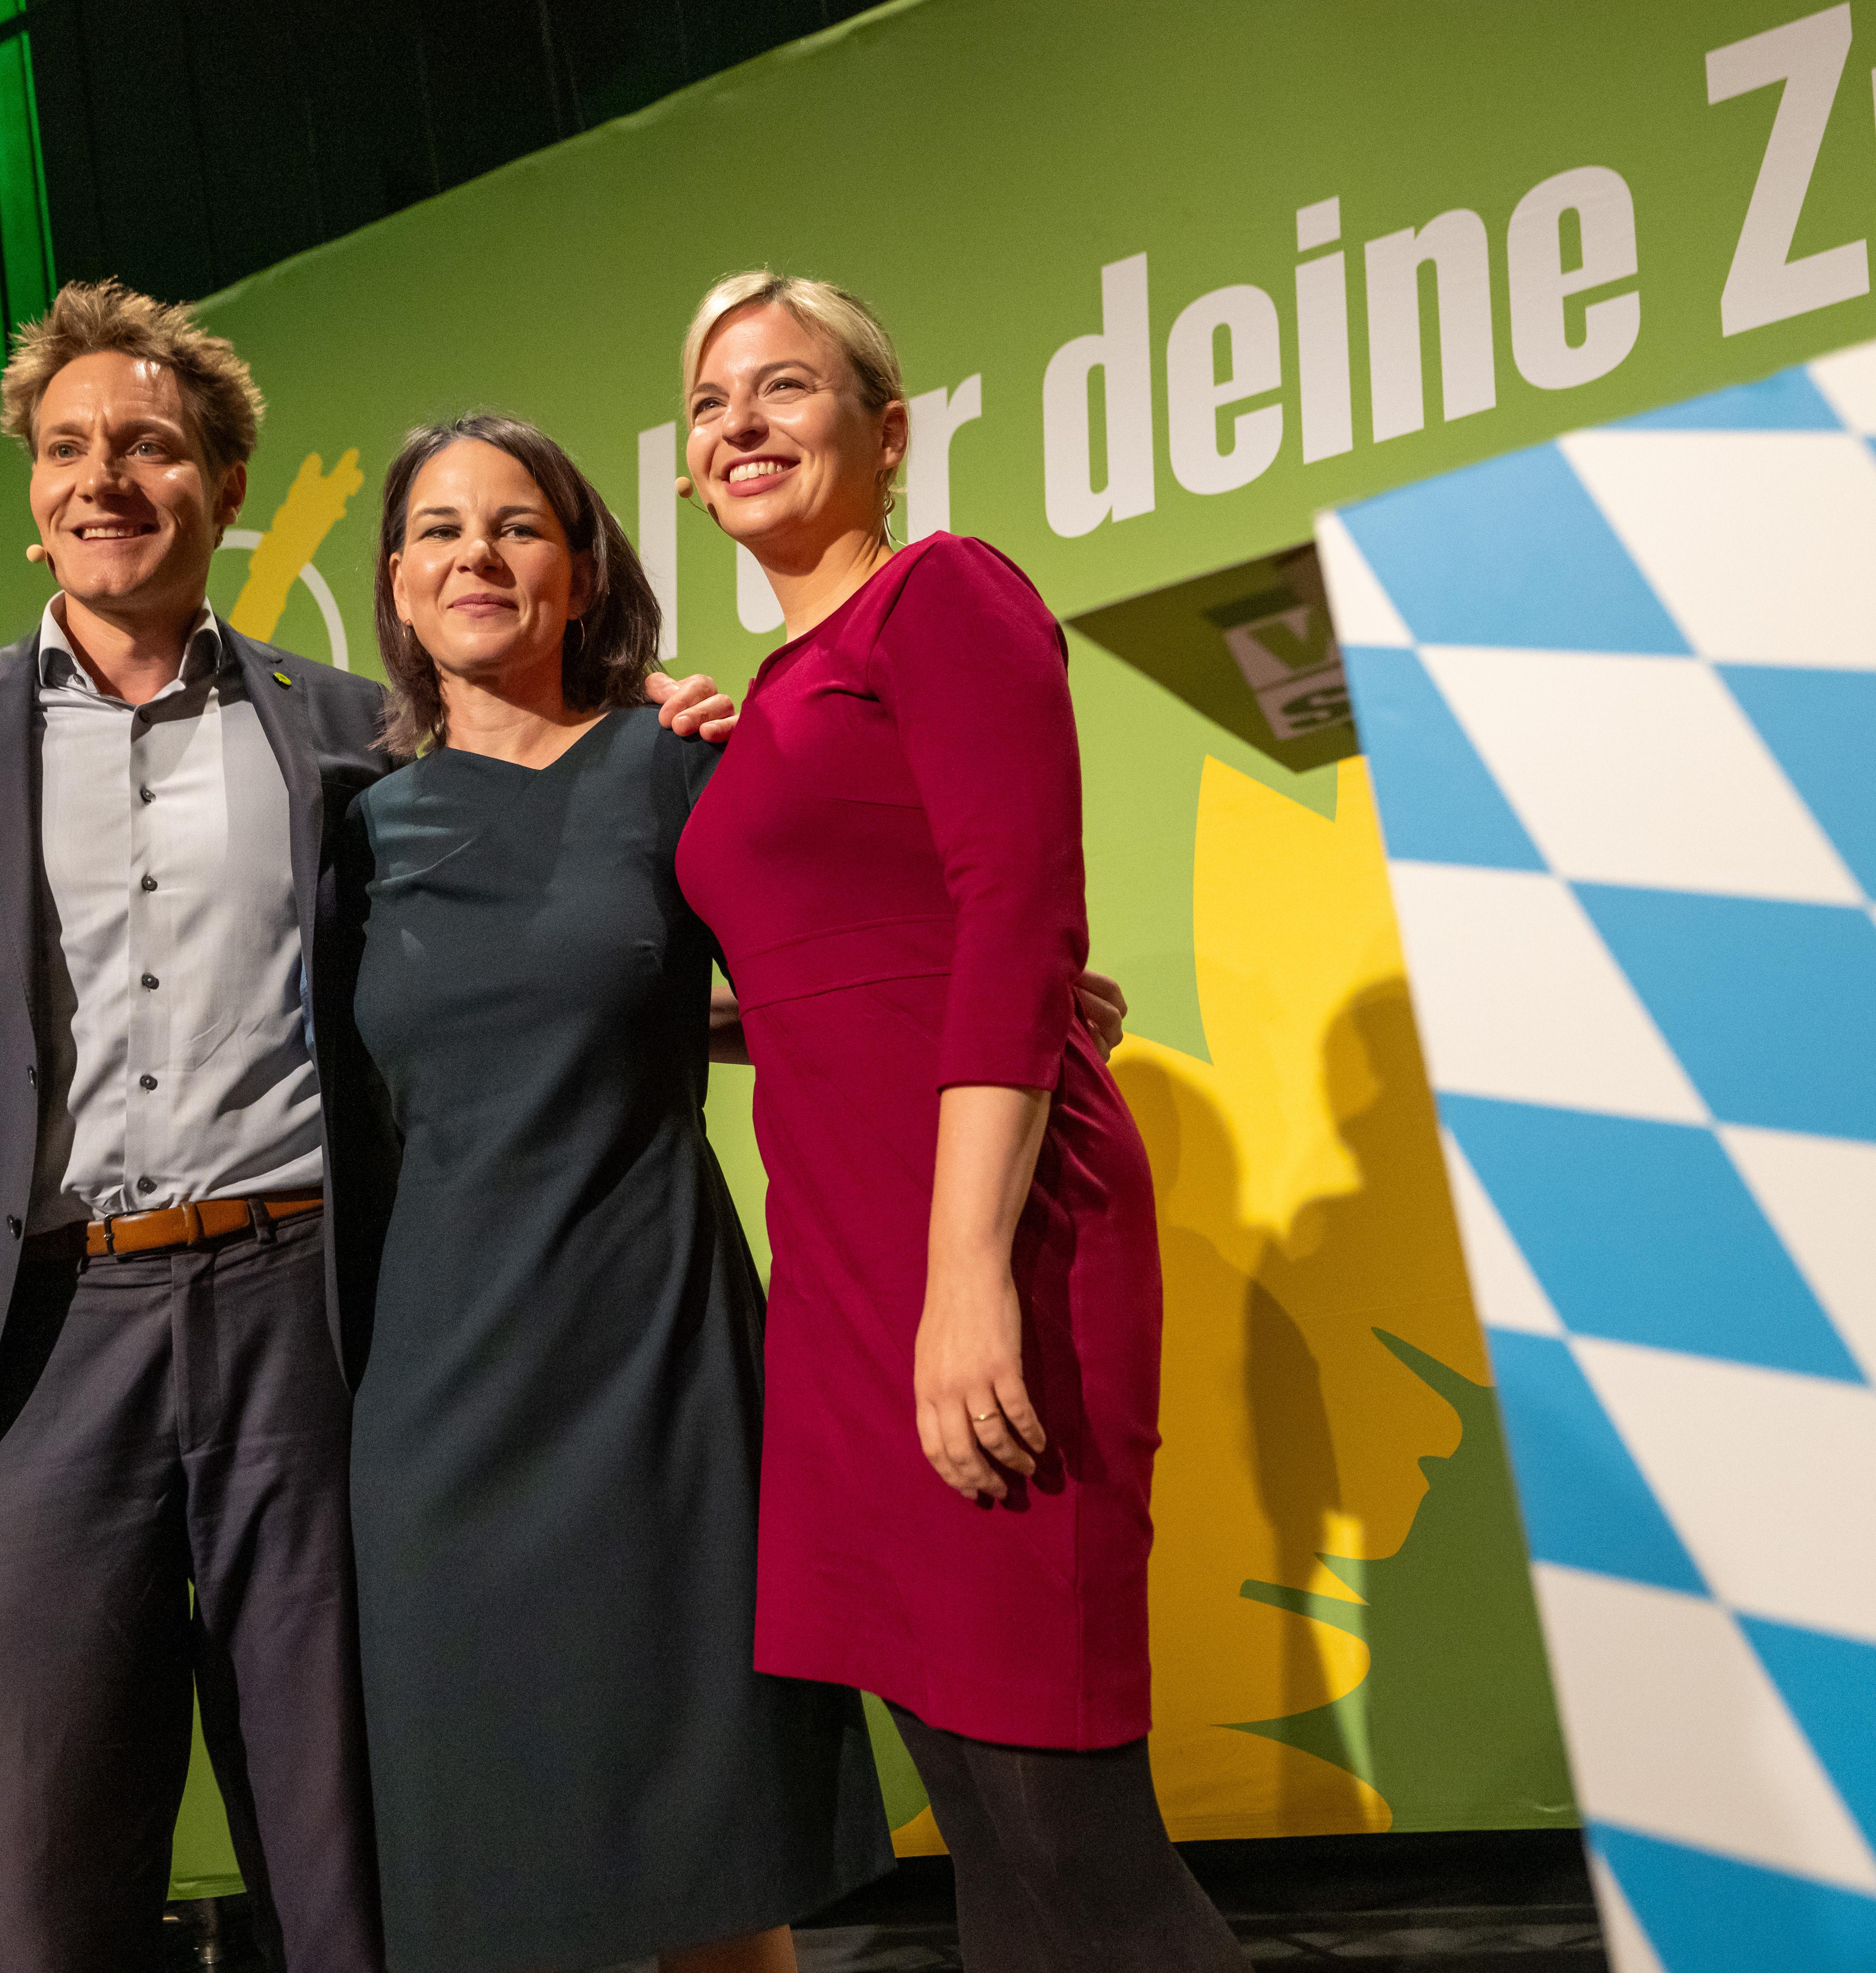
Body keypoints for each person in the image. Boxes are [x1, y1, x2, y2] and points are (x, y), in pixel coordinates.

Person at [0, 279, 738, 1973]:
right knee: (45, 1882)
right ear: (31, 494)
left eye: (151, 444)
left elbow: (529, 948)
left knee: (348, 1867)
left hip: (308, 1331)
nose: (105, 479)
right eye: (69, 447)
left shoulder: (352, 732)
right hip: (29, 1356)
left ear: (222, 489)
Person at [671, 273, 1248, 1971]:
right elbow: (817, 973)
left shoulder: (941, 594)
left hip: (985, 1247)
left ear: (888, 432)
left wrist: (965, 1274)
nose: (743, 426)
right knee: (980, 1833)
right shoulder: (762, 702)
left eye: (785, 388)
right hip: (849, 1282)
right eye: (712, 407)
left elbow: (1015, 914)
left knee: (1073, 1842)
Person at [346, 412, 890, 1973]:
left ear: (580, 571)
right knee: (490, 1877)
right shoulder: (351, 831)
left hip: (655, 1368)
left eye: (517, 526)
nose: (477, 556)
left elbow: (816, 978)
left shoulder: (675, 762)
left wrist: (1012, 993)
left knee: (706, 1860)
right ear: (396, 583)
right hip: (440, 1397)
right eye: (441, 530)